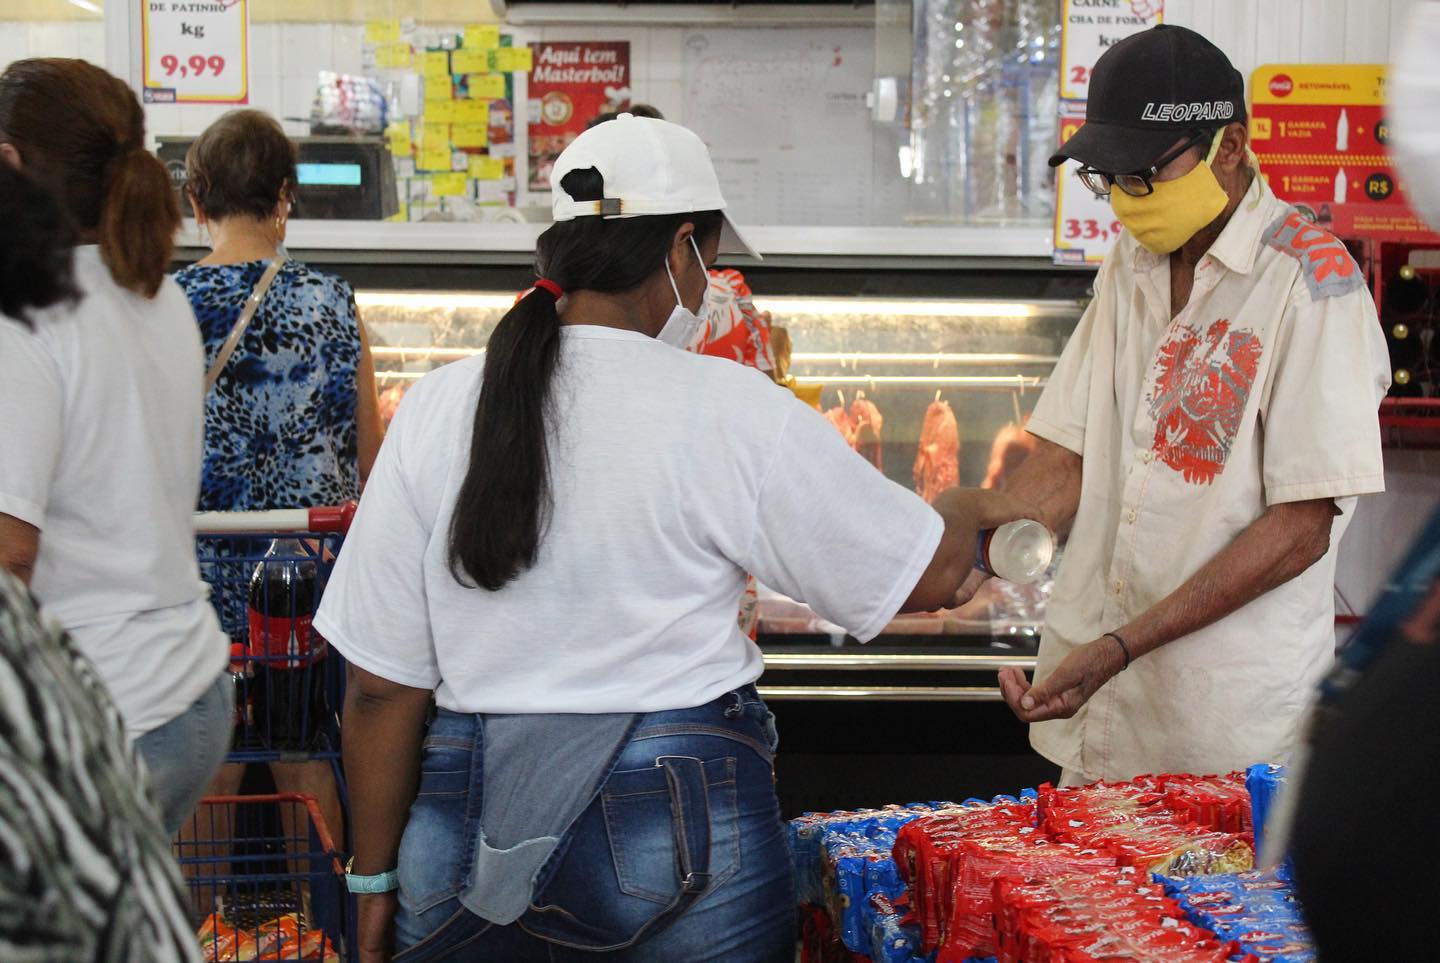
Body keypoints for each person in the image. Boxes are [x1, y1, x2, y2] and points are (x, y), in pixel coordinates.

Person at [316, 114, 1027, 962]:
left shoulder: (437, 407)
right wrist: (974, 512)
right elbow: (921, 574)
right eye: (710, 263)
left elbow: (379, 690)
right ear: (681, 251)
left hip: (460, 840)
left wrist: (371, 878)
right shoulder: (728, 406)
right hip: (679, 820)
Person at [993, 25, 1391, 783]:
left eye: (1143, 175)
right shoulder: (1131, 262)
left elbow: (1301, 528)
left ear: (1230, 145)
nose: (1123, 200)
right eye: (1107, 178)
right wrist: (982, 547)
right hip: (1098, 716)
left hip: (1222, 734)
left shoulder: (1311, 285)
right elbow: (1068, 452)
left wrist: (1122, 646)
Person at [0, 58, 232, 835]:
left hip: (100, 708)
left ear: (10, 164)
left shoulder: (26, 314)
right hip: (186, 685)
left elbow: (10, 556)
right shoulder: (155, 294)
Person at [174, 108, 382, 845]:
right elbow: (371, 457)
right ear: (285, 195)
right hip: (303, 574)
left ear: (196, 198)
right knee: (305, 754)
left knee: (210, 760)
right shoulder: (332, 300)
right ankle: (325, 913)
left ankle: (191, 919)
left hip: (199, 575)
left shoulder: (166, 303)